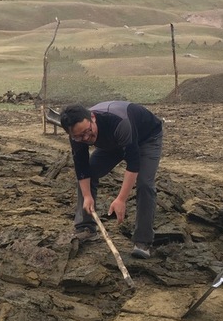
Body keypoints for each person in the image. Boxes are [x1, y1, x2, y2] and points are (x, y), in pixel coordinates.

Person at [59, 101, 163, 259]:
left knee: (144, 184)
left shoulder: (119, 122)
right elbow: (82, 167)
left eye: (88, 131)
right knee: (89, 174)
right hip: (113, 144)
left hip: (146, 138)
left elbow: (133, 164)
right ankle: (85, 227)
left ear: (92, 118)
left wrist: (121, 199)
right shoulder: (76, 136)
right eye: (80, 136)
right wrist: (87, 196)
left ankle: (143, 241)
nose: (86, 138)